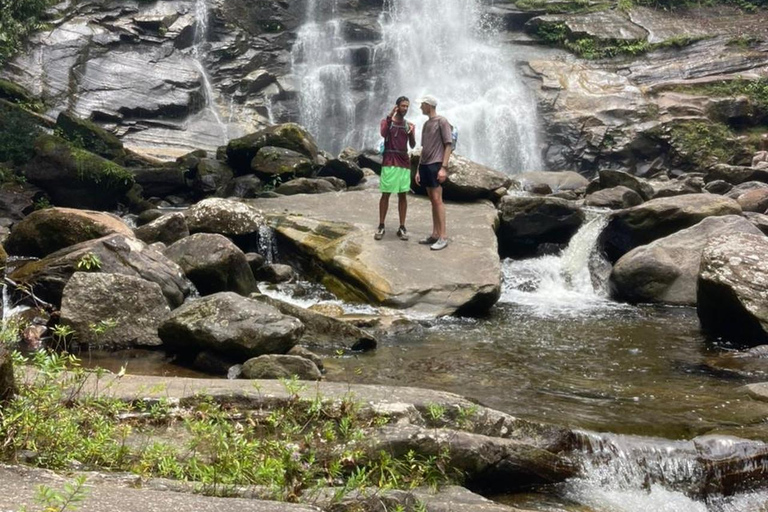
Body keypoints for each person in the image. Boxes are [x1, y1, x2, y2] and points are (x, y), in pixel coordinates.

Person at [375, 96, 416, 241]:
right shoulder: (387, 122)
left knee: (403, 195)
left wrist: (411, 133)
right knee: (385, 193)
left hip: (404, 162)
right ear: (397, 106)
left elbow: (412, 145)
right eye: (403, 106)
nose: (405, 109)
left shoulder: (409, 125)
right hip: (389, 161)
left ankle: (402, 226)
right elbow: (383, 133)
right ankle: (381, 225)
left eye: (407, 106)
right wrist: (389, 115)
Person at [415, 95, 452, 251]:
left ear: (429, 105)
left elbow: (448, 145)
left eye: (422, 105)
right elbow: (424, 148)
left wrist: (444, 168)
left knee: (437, 200)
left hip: (435, 164)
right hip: (425, 165)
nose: (420, 107)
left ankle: (443, 237)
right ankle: (435, 234)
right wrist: (418, 169)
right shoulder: (426, 124)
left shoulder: (441, 121)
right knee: (432, 200)